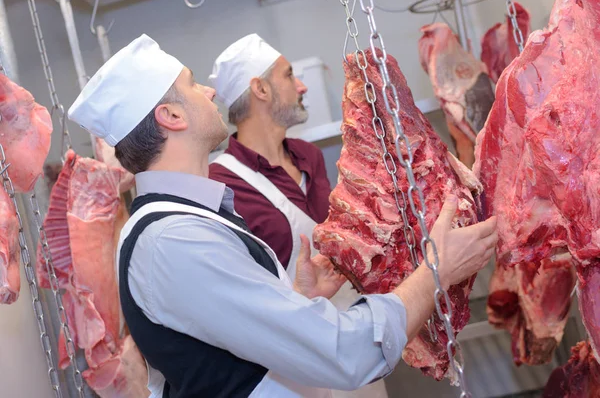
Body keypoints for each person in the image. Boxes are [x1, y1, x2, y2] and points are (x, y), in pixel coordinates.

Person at [68, 34, 498, 398]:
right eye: (194, 85)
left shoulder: (184, 221)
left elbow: (226, 338)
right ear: (172, 116)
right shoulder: (173, 240)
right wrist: (435, 271)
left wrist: (296, 299)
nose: (212, 92)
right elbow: (341, 352)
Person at [207, 34, 387, 397]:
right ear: (259, 89)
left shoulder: (309, 156)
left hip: (354, 337)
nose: (302, 85)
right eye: (290, 76)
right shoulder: (219, 183)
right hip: (294, 368)